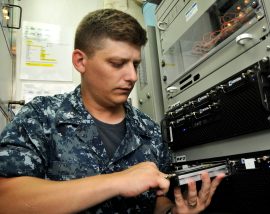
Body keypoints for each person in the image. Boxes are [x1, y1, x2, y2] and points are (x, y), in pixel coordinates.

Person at [0, 9, 224, 214]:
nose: (132, 76)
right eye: (118, 63)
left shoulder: (149, 131)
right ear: (80, 61)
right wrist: (118, 181)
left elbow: (158, 198)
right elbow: (6, 197)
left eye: (135, 65)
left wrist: (171, 211)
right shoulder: (41, 117)